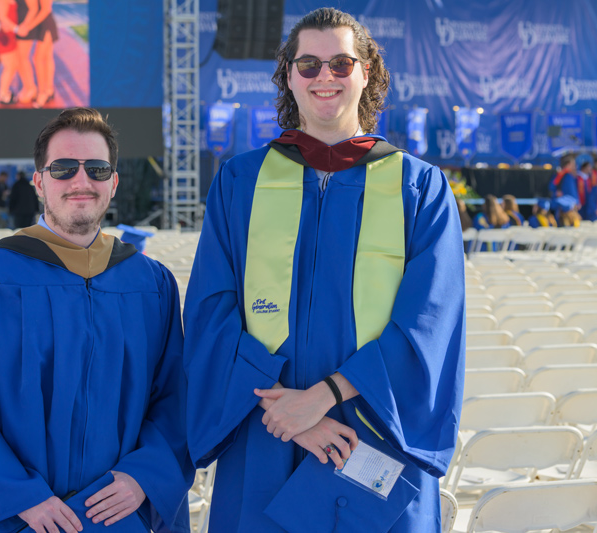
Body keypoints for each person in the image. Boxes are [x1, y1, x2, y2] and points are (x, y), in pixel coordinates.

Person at [183, 7, 464, 532]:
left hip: (372, 432)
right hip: (265, 430)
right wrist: (288, 417)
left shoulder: (418, 189)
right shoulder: (240, 182)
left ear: (367, 72)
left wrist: (324, 398)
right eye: (308, 64)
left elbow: (431, 323)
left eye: (341, 62)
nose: (324, 77)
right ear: (288, 75)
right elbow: (211, 314)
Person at [0, 107, 193, 532]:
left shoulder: (150, 284)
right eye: (64, 168)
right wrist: (22, 496)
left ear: (113, 183)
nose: (81, 181)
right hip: (18, 517)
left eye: (97, 169)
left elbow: (175, 398)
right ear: (39, 182)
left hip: (118, 515)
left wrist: (145, 476)